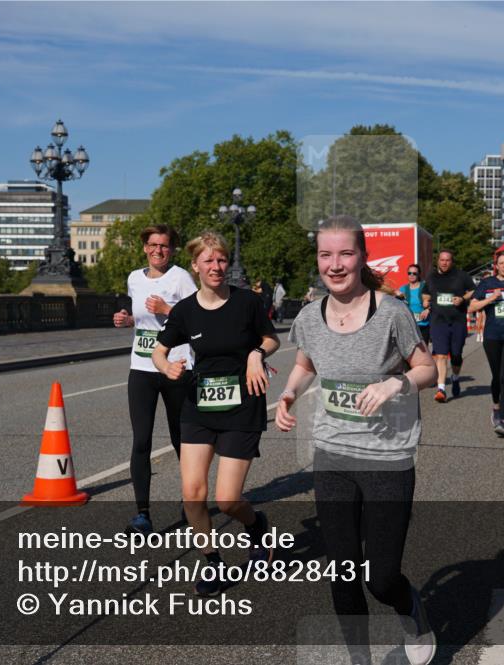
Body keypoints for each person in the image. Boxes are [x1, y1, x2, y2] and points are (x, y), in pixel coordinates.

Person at [276, 215, 437, 665]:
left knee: (380, 579)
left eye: (345, 253)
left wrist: (395, 385)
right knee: (342, 572)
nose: (335, 264)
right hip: (332, 455)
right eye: (326, 254)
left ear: (362, 257)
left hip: (388, 459)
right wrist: (288, 394)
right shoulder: (309, 316)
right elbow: (306, 364)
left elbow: (428, 369)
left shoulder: (391, 312)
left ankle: (411, 611)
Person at [152, 231, 280, 596]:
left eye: (221, 259)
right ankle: (213, 563)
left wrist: (257, 354)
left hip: (243, 404)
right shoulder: (185, 311)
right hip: (199, 404)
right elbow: (159, 351)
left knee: (227, 499)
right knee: (192, 494)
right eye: (208, 261)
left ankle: (256, 528)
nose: (216, 266)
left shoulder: (247, 303)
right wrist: (166, 368)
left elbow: (271, 338)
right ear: (195, 266)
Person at [112, 225, 197, 535]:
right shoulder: (135, 278)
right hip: (142, 368)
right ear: (144, 248)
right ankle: (142, 514)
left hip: (176, 367)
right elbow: (144, 320)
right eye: (153, 245)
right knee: (141, 441)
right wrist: (128, 320)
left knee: (182, 440)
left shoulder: (181, 278)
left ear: (172, 249)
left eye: (164, 245)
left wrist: (167, 308)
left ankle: (192, 503)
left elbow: (198, 317)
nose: (158, 250)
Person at [469, 250, 504, 437]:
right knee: (496, 377)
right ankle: (496, 406)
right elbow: (472, 306)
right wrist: (492, 298)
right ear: (496, 265)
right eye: (501, 263)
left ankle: (502, 420)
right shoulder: (487, 283)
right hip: (492, 336)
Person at [422, 250, 474, 402]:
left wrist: (463, 299)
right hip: (438, 322)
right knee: (441, 355)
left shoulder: (461, 276)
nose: (444, 263)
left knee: (456, 355)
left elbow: (473, 290)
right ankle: (441, 389)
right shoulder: (431, 277)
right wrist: (425, 301)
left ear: (452, 261)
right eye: (442, 260)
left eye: (447, 260)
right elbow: (426, 293)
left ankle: (456, 378)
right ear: (438, 261)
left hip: (457, 321)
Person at [397, 263, 431, 347]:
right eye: (409, 273)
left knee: (423, 351)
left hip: (423, 325)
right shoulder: (403, 289)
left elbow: (435, 301)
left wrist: (428, 309)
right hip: (409, 326)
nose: (411, 275)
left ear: (419, 274)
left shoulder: (426, 287)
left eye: (414, 273)